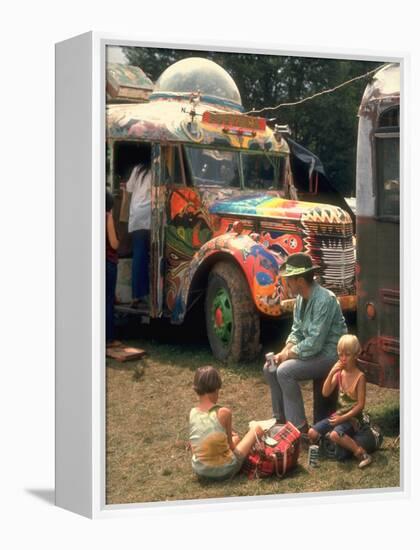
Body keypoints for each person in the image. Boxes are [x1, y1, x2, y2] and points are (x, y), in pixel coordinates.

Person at [263, 252, 347, 433]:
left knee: (285, 371)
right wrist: (284, 351)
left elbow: (315, 343)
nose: (286, 284)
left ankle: (298, 430)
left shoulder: (325, 299)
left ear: (300, 281)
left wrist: (288, 355)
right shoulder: (301, 299)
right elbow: (297, 331)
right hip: (313, 352)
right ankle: (280, 422)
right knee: (270, 368)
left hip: (330, 355)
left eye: (289, 280)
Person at [189, 366, 264, 480]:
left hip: (200, 470)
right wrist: (235, 439)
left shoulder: (193, 412)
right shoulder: (224, 412)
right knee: (256, 429)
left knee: (235, 439)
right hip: (224, 471)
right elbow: (232, 447)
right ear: (216, 389)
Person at [308, 334, 372, 468]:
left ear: (355, 355)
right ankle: (330, 442)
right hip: (338, 416)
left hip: (353, 419)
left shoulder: (360, 377)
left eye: (347, 355)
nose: (343, 358)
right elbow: (325, 392)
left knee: (336, 434)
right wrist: (332, 372)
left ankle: (361, 453)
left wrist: (342, 419)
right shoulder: (339, 373)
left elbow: (360, 405)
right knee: (312, 433)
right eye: (340, 354)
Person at [126, 158, 152, 306]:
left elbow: (129, 188)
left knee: (139, 255)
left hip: (136, 215)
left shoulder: (137, 169)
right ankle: (143, 294)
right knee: (146, 255)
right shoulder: (156, 169)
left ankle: (137, 294)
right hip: (148, 215)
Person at [106, 190, 120, 348]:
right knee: (108, 301)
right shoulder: (107, 217)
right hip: (108, 263)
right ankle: (109, 338)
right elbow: (113, 243)